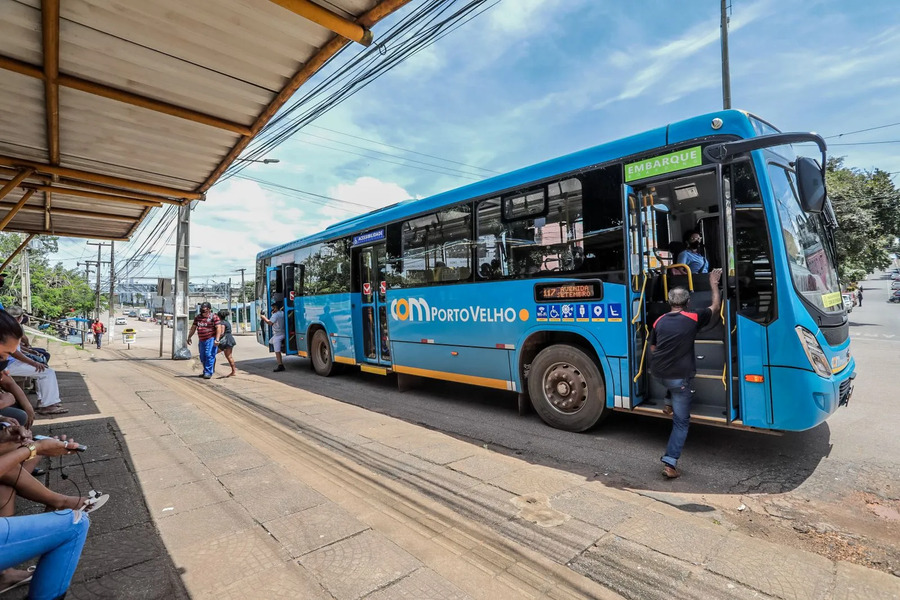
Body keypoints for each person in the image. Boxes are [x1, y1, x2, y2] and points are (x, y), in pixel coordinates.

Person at [649, 268, 722, 479]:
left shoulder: (659, 320)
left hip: (658, 373)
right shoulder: (694, 317)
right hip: (678, 379)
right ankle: (670, 463)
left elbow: (653, 347)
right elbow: (716, 307)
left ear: (669, 302)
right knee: (681, 422)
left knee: (671, 382)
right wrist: (713, 284)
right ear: (688, 302)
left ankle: (667, 403)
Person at [187, 302, 221, 380]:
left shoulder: (214, 317)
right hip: (202, 340)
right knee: (202, 356)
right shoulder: (198, 318)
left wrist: (217, 339)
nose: (203, 312)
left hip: (211, 339)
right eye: (202, 311)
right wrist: (189, 337)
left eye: (205, 311)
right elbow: (193, 328)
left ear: (209, 310)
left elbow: (218, 328)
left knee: (209, 355)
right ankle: (205, 371)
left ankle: (208, 372)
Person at [259, 302, 285, 372]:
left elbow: (270, 323)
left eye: (273, 308)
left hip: (278, 335)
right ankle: (282, 345)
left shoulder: (275, 315)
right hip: (283, 332)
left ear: (275, 308)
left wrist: (264, 318)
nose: (272, 309)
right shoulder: (282, 313)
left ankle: (280, 365)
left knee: (277, 350)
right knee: (271, 341)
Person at [215, 309, 237, 377]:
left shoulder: (221, 323)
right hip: (230, 340)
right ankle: (233, 371)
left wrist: (216, 338)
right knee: (229, 356)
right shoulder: (227, 322)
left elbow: (221, 333)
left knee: (212, 353)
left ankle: (211, 369)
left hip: (225, 341)